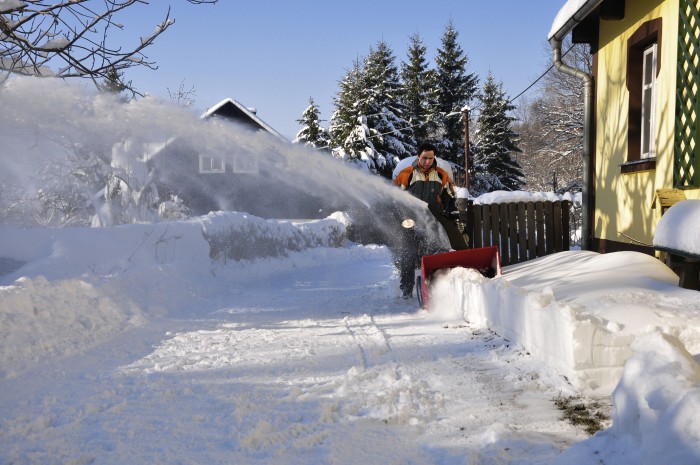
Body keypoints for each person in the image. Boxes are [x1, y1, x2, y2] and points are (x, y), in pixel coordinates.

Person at [392, 142, 469, 298]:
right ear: (418, 156)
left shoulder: (441, 174)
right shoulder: (406, 174)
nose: (427, 161)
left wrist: (449, 208)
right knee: (408, 252)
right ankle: (407, 289)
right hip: (411, 219)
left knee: (435, 249)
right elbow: (395, 199)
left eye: (431, 158)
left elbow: (448, 195)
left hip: (432, 219)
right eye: (424, 158)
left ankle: (433, 285)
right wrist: (403, 217)